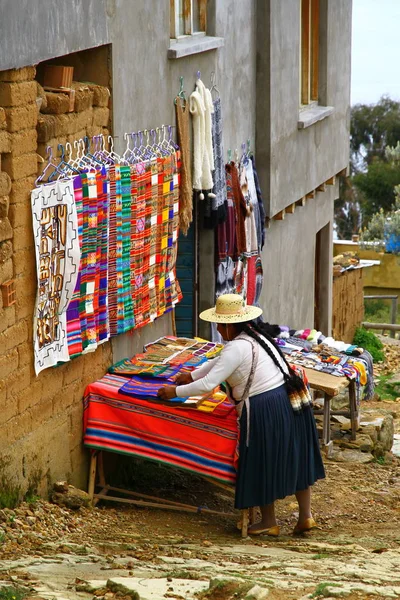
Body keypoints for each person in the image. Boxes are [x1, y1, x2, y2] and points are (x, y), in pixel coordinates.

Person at [158, 293, 325, 536]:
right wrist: (192, 375)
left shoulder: (237, 347)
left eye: (218, 324)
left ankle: (268, 521)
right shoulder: (256, 338)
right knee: (295, 456)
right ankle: (305, 516)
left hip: (264, 406)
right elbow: (218, 362)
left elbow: (209, 384)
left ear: (228, 325)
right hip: (287, 399)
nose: (217, 328)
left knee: (261, 460)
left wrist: (175, 390)